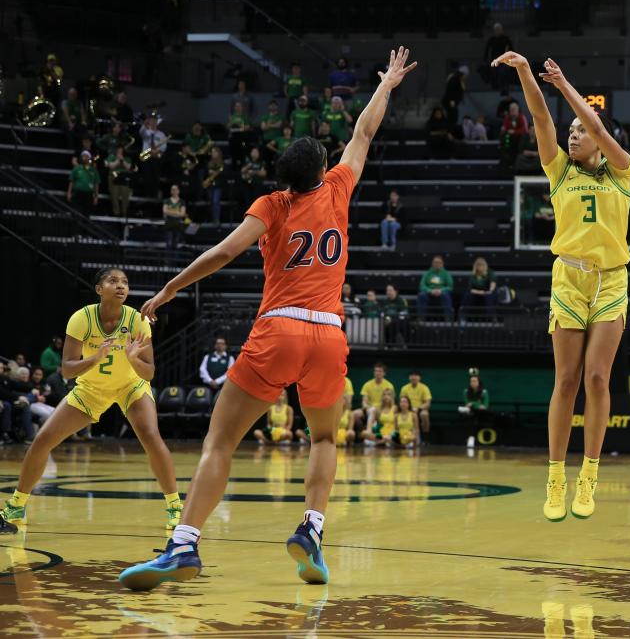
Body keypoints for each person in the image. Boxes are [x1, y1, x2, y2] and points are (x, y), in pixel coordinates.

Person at [117, 45, 416, 590]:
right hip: (328, 333)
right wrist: (387, 84)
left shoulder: (272, 204)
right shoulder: (340, 188)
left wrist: (168, 289)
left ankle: (184, 545)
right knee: (323, 439)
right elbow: (364, 134)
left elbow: (222, 254)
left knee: (220, 442)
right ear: (322, 170)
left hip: (278, 327)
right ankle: (312, 529)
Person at [492, 50, 630, 522]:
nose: (573, 136)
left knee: (598, 378)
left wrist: (565, 83)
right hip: (567, 279)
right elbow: (538, 117)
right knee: (567, 381)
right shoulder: (558, 172)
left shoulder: (622, 169)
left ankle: (588, 476)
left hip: (610, 279)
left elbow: (594, 126)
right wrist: (527, 74)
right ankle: (556, 477)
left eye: (579, 132)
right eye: (569, 131)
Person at [0, 267, 181, 534]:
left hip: (130, 386)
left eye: (125, 282)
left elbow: (150, 372)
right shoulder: (81, 319)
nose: (121, 286)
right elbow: (68, 369)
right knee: (42, 440)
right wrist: (95, 358)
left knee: (151, 436)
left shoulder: (137, 320)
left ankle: (175, 508)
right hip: (91, 389)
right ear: (99, 289)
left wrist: (132, 359)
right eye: (113, 281)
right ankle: (17, 504)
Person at [357, 362, 396, 433]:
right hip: (369, 409)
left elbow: (392, 402)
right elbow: (364, 402)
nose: (378, 373)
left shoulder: (389, 385)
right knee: (354, 414)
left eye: (380, 371)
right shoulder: (367, 384)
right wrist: (368, 408)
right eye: (376, 371)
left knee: (374, 410)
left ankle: (369, 431)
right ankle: (360, 434)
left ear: (384, 373)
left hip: (383, 409)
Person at [417, 256, 454, 320]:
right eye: (435, 262)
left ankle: (448, 318)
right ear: (432, 264)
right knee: (422, 295)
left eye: (439, 262)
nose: (437, 264)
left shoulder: (446, 274)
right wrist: (430, 291)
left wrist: (441, 290)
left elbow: (450, 287)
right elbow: (422, 286)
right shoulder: (427, 273)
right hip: (429, 292)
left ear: (442, 264)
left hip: (441, 292)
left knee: (446, 295)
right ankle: (421, 318)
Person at [399, 371, 431, 442]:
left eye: (416, 375)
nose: (413, 377)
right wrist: (408, 409)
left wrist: (418, 408)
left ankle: (425, 437)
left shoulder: (424, 388)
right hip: (407, 409)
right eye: (412, 375)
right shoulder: (404, 388)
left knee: (424, 414)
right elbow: (402, 401)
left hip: (420, 409)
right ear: (409, 377)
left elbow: (427, 403)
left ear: (419, 378)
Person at [67, 150, 100, 215]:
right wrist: (69, 193)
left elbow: (96, 184)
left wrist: (96, 196)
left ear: (89, 158)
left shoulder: (93, 170)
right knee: (76, 212)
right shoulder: (77, 168)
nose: (84, 158)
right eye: (83, 156)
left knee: (87, 213)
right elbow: (71, 181)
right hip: (78, 194)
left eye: (86, 156)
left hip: (88, 195)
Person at [105, 147, 135, 217]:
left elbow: (128, 167)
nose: (119, 152)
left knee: (125, 196)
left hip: (124, 178)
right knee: (114, 196)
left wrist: (123, 160)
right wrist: (118, 160)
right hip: (113, 177)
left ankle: (125, 213)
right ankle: (116, 213)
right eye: (118, 151)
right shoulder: (111, 157)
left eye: (121, 151)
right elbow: (111, 166)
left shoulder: (127, 158)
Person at [500, 101, 530, 169]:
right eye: (511, 109)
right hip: (509, 140)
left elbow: (525, 130)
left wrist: (514, 132)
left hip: (519, 140)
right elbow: (504, 128)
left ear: (517, 110)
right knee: (505, 139)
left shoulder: (521, 117)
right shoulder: (507, 118)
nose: (512, 111)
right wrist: (503, 129)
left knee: (520, 139)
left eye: (514, 109)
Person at [484, 23, 513, 89]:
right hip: (494, 58)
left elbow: (511, 48)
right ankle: (494, 86)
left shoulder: (505, 38)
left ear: (501, 30)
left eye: (499, 29)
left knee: (503, 72)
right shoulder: (491, 39)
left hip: (503, 59)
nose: (497, 31)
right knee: (493, 72)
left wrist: (510, 57)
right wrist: (486, 59)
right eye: (496, 29)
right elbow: (487, 50)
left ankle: (504, 86)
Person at [162, 184, 188, 250]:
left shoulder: (182, 201)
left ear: (178, 191)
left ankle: (175, 258)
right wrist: (177, 213)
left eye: (175, 189)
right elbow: (165, 211)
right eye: (172, 189)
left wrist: (170, 211)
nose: (174, 191)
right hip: (169, 223)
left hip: (178, 223)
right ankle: (167, 260)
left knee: (176, 243)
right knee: (168, 243)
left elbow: (182, 213)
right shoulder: (167, 201)